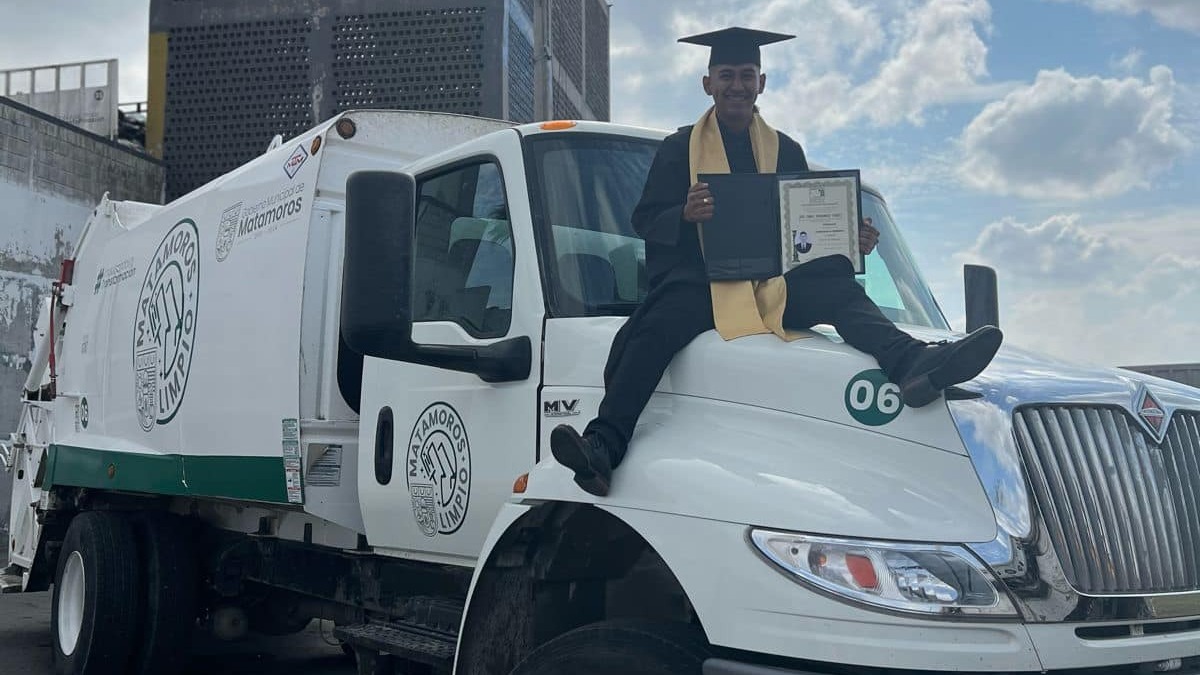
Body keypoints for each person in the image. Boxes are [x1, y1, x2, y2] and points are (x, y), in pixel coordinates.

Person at [550, 27, 1002, 497]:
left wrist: (851, 239)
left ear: (762, 83)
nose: (737, 85)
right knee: (651, 328)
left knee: (835, 283)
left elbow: (807, 225)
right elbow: (644, 220)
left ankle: (912, 364)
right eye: (726, 75)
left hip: (773, 284)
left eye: (747, 75)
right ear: (708, 84)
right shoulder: (677, 148)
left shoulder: (786, 150)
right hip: (704, 286)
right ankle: (602, 447)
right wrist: (684, 213)